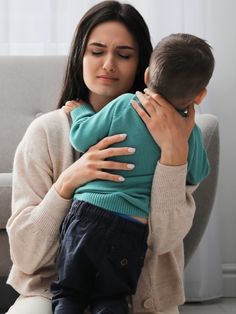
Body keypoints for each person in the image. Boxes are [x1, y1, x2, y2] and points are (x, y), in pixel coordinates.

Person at [5, 1, 204, 314]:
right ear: (79, 57)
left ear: (144, 66)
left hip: (138, 296)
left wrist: (173, 156)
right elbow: (27, 256)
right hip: (51, 292)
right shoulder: (47, 131)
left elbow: (164, 241)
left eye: (124, 55)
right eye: (97, 51)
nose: (109, 64)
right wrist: (69, 181)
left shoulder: (177, 134)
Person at [51, 33, 214, 314]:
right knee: (112, 299)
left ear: (148, 74)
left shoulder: (125, 103)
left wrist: (81, 111)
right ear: (200, 95)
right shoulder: (189, 132)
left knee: (69, 294)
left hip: (88, 214)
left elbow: (80, 138)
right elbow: (197, 173)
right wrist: (184, 141)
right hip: (133, 228)